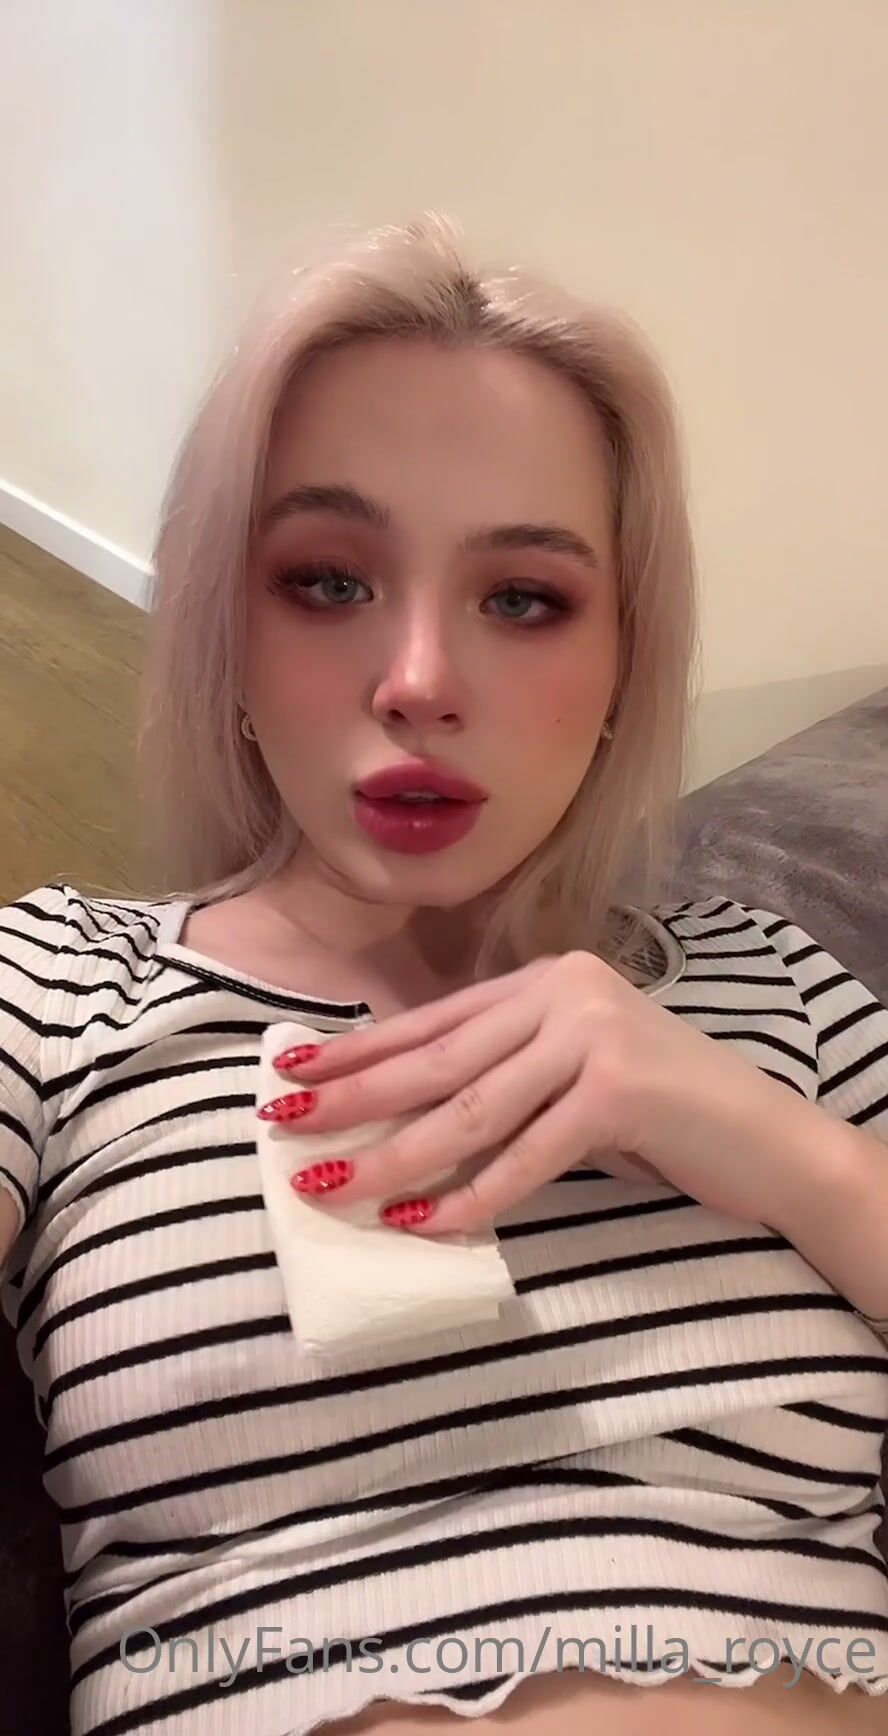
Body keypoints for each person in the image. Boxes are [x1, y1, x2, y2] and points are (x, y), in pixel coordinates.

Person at [1, 215, 887, 1736]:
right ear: (224, 629)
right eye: (327, 581)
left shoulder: (777, 989)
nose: (419, 681)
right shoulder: (58, 985)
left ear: (622, 667)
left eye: (524, 598)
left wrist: (783, 1151)